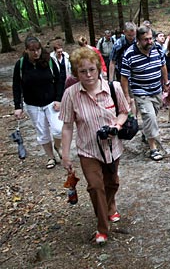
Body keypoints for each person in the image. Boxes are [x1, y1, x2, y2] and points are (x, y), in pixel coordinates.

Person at [59, 47, 129, 245]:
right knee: (95, 186)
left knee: (112, 182)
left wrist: (117, 124)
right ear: (76, 73)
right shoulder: (71, 94)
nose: (88, 75)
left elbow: (124, 111)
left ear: (98, 68)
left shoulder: (113, 88)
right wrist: (65, 155)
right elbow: (67, 126)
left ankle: (110, 206)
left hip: (112, 147)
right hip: (88, 150)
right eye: (82, 71)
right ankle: (102, 228)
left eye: (91, 69)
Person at [12, 36, 64, 169]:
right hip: (33, 104)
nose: (36, 53)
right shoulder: (21, 65)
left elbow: (59, 81)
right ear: (26, 50)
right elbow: (16, 86)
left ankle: (57, 147)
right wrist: (18, 106)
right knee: (43, 133)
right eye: (32, 50)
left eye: (38, 49)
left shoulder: (49, 61)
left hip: (51, 102)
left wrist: (58, 99)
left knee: (59, 129)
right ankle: (50, 157)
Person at [120, 26, 169, 161]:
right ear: (138, 40)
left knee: (153, 114)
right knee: (150, 117)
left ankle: (146, 133)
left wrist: (166, 82)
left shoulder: (157, 48)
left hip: (156, 90)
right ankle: (153, 148)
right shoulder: (129, 54)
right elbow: (124, 77)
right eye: (145, 40)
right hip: (141, 91)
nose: (149, 42)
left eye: (150, 38)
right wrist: (126, 96)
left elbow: (163, 65)